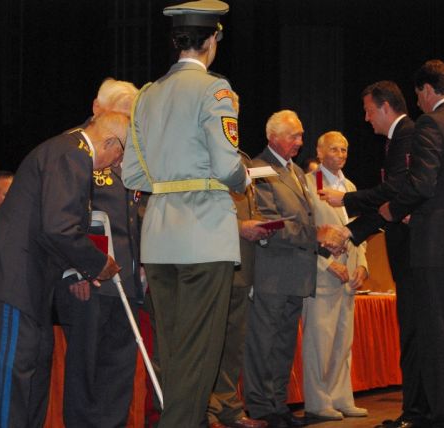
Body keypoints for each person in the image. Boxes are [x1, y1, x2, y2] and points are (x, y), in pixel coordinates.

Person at [321, 60, 444, 428]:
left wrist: (394, 209)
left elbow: (421, 185)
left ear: (427, 90)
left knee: (440, 338)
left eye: (418, 95)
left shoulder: (432, 123)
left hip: (437, 248)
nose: (418, 103)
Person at [121, 1, 248, 426]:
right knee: (200, 354)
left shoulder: (146, 95)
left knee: (174, 352)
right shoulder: (215, 90)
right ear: (212, 40)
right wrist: (242, 178)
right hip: (204, 236)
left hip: (159, 239)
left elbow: (132, 174)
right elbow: (228, 166)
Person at [0, 112, 126, 428]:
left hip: (33, 280)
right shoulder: (72, 154)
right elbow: (59, 228)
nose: (115, 164)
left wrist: (78, 266)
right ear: (110, 142)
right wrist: (98, 264)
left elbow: (51, 225)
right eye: (119, 155)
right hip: (14, 276)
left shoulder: (67, 151)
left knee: (35, 372)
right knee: (15, 377)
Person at [319, 81, 428, 428]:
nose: (366, 119)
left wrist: (347, 202)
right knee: (413, 334)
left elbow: (395, 191)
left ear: (384, 107)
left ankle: (417, 412)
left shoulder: (406, 134)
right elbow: (390, 204)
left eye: (368, 111)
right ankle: (417, 410)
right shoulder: (399, 138)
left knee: (415, 334)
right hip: (408, 250)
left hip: (414, 251)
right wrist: (351, 232)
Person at [54, 78, 142, 428]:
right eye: (121, 112)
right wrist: (75, 270)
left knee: (118, 371)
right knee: (85, 373)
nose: (125, 122)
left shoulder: (131, 154)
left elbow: (134, 215)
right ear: (97, 108)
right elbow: (65, 217)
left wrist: (142, 266)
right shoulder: (75, 148)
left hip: (125, 281)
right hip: (89, 280)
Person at [242, 110, 317, 428]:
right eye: (293, 136)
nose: (299, 142)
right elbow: (269, 222)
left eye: (301, 135)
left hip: (297, 272)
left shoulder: (296, 171)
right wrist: (316, 235)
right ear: (273, 137)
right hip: (272, 272)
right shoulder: (259, 169)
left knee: (284, 343)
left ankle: (277, 403)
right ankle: (260, 406)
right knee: (263, 343)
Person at [207, 93, 269, 428]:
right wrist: (239, 227)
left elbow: (249, 203)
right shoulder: (202, 155)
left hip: (242, 264)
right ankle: (206, 411)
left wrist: (259, 225)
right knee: (209, 343)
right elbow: (199, 211)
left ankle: (230, 410)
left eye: (235, 112)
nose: (231, 119)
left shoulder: (241, 158)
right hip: (213, 263)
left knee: (232, 344)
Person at [302, 131, 369, 421]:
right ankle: (318, 402)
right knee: (320, 341)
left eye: (344, 149)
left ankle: (341, 397)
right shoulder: (309, 184)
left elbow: (359, 230)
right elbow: (306, 232)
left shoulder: (349, 186)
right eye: (334, 149)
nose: (340, 154)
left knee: (343, 341)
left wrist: (362, 265)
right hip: (324, 275)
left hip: (349, 275)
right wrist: (327, 263)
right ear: (319, 152)